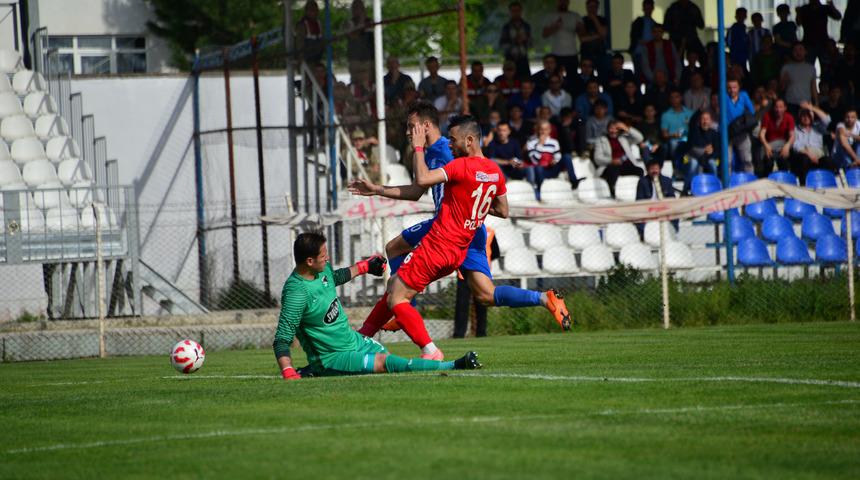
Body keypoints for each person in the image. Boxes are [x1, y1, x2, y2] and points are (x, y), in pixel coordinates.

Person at [348, 105, 571, 340]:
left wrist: (468, 209)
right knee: (485, 295)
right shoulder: (434, 152)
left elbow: (444, 178)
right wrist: (377, 190)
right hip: (470, 230)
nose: (408, 132)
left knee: (394, 250)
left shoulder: (450, 152)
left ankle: (404, 312)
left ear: (425, 127)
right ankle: (544, 298)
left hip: (448, 229)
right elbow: (416, 191)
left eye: (411, 127)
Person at [273, 232, 481, 380]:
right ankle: (453, 364)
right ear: (309, 261)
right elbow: (282, 337)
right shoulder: (296, 293)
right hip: (333, 357)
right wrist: (287, 370)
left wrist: (366, 266)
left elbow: (336, 276)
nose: (327, 258)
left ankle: (311, 370)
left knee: (390, 361)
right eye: (323, 255)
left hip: (355, 341)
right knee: (384, 363)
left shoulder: (321, 270)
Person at [453, 228, 499, 339]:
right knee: (481, 302)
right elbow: (496, 253)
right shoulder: (488, 232)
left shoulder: (461, 229)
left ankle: (459, 334)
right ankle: (481, 333)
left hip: (465, 271)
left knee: (463, 305)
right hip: (480, 271)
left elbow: (496, 252)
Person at [526, 119, 578, 198]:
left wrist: (555, 161)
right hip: (540, 171)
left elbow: (558, 156)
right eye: (541, 129)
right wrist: (540, 144)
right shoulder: (531, 143)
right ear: (537, 130)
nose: (543, 132)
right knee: (538, 168)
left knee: (566, 157)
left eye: (546, 129)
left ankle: (574, 182)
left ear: (549, 130)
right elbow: (534, 161)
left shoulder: (554, 142)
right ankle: (540, 189)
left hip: (552, 169)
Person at [594, 120, 646, 195]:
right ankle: (613, 193)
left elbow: (640, 138)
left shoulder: (624, 139)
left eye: (616, 129)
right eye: (611, 128)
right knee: (613, 170)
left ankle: (640, 192)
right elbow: (597, 158)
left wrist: (626, 128)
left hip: (626, 165)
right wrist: (611, 161)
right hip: (610, 166)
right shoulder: (601, 140)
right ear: (607, 129)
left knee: (639, 170)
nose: (613, 131)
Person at [791, 101, 835, 182]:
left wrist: (812, 108)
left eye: (808, 115)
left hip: (818, 155)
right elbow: (795, 146)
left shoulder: (818, 127)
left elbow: (827, 119)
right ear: (799, 117)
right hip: (804, 154)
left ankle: (828, 184)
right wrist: (809, 154)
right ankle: (804, 185)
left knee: (828, 161)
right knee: (804, 159)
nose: (806, 118)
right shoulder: (795, 129)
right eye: (803, 115)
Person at [542, 0, 583, 79]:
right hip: (557, 53)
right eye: (561, 1)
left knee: (573, 78)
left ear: (568, 2)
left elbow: (583, 34)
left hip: (572, 53)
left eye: (565, 1)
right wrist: (555, 26)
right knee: (556, 77)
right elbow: (544, 34)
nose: (563, 2)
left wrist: (580, 28)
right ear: (557, 2)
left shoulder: (575, 15)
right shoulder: (551, 15)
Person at [487, 121, 535, 187]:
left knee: (529, 167)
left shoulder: (514, 142)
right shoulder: (493, 143)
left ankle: (532, 189)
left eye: (504, 130)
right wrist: (508, 162)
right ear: (497, 131)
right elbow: (491, 160)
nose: (501, 133)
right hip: (501, 171)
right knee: (496, 167)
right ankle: (504, 188)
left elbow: (520, 159)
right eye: (500, 130)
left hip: (514, 170)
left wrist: (518, 163)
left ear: (509, 131)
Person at [796, 0, 843, 66]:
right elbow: (798, 23)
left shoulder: (824, 8)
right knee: (808, 67)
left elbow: (838, 17)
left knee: (826, 66)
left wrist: (832, 7)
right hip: (809, 43)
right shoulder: (804, 9)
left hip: (823, 42)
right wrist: (798, 13)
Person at [685, 109, 721, 192]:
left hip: (708, 159)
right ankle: (687, 189)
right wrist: (698, 111)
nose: (705, 122)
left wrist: (711, 153)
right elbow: (693, 148)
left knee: (713, 163)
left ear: (711, 121)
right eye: (703, 119)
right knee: (694, 163)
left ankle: (715, 187)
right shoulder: (694, 131)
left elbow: (717, 150)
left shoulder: (714, 133)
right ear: (699, 121)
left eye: (707, 119)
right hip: (692, 158)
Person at [758, 98, 796, 176]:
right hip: (770, 145)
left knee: (784, 161)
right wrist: (766, 145)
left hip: (783, 145)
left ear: (785, 108)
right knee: (768, 163)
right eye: (776, 107)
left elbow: (792, 135)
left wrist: (787, 146)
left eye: (781, 107)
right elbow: (762, 134)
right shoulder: (767, 116)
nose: (778, 109)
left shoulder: (789, 117)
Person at [725, 78, 756, 173]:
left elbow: (752, 111)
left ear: (739, 88)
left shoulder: (744, 96)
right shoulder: (724, 96)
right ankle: (728, 184)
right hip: (728, 133)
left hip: (742, 131)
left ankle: (750, 181)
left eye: (734, 87)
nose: (732, 90)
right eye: (729, 88)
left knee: (747, 160)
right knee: (727, 162)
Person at [780, 42, 818, 117]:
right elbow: (781, 89)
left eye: (800, 49)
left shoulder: (811, 68)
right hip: (790, 103)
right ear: (792, 53)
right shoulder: (786, 68)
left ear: (805, 52)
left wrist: (816, 102)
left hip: (806, 103)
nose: (798, 53)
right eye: (795, 50)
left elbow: (813, 87)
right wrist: (785, 81)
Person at [661, 90, 694, 173]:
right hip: (673, 140)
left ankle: (684, 169)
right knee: (674, 144)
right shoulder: (666, 115)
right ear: (669, 100)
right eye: (672, 97)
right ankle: (677, 168)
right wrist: (673, 135)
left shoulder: (690, 113)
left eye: (677, 97)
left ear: (681, 98)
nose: (674, 99)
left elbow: (695, 130)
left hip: (688, 140)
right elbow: (664, 134)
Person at [499, 1, 532, 80]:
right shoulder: (506, 27)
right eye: (513, 11)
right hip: (510, 59)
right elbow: (502, 45)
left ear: (521, 11)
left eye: (517, 11)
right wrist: (515, 41)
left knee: (525, 80)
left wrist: (525, 40)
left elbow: (531, 44)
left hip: (523, 58)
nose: (515, 13)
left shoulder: (526, 26)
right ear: (510, 12)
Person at [578, 0, 609, 77]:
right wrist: (598, 35)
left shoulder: (602, 19)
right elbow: (582, 39)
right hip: (586, 54)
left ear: (597, 7)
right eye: (590, 6)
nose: (592, 9)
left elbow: (603, 34)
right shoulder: (582, 20)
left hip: (600, 53)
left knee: (604, 77)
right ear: (587, 7)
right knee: (587, 77)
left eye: (594, 6)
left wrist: (595, 19)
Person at [345, 0, 374, 78]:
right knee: (356, 83)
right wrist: (361, 21)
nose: (357, 10)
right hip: (355, 61)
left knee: (371, 82)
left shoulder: (370, 22)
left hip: (369, 60)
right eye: (355, 8)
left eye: (360, 8)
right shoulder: (349, 23)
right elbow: (353, 36)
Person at [629, 0, 657, 76]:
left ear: (652, 9)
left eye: (649, 8)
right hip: (639, 52)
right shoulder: (638, 21)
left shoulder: (654, 23)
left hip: (649, 53)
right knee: (639, 76)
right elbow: (634, 36)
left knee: (649, 75)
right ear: (643, 9)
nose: (648, 11)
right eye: (646, 8)